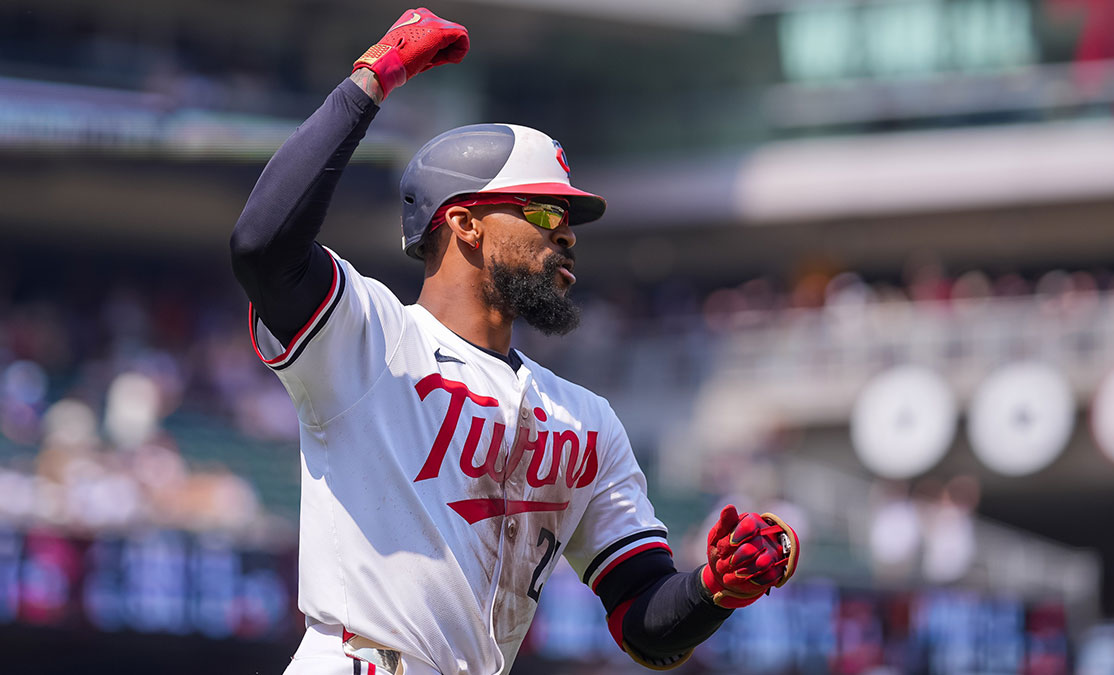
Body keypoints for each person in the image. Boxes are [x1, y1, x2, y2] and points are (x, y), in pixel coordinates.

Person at [229, 8, 799, 675]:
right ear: (465, 222)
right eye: (542, 209)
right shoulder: (368, 334)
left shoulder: (586, 419)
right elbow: (263, 244)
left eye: (568, 218)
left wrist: (714, 589)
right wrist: (371, 79)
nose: (567, 232)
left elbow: (645, 620)